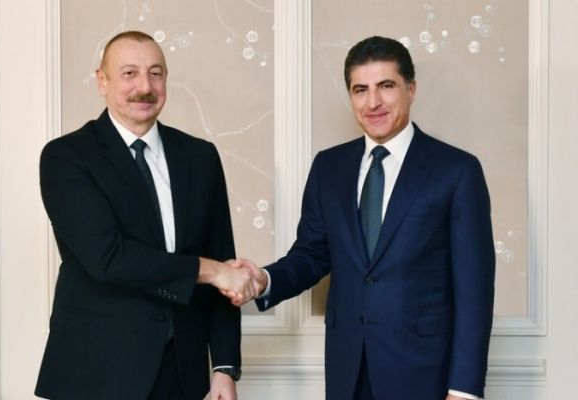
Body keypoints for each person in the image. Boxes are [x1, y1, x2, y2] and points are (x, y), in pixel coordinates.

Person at [230, 36, 495, 400]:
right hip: (348, 371)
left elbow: (474, 290)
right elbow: (312, 255)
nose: (373, 102)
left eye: (386, 86)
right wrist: (264, 279)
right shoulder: (329, 166)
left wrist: (464, 390)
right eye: (360, 90)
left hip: (424, 374)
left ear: (411, 89)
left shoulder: (457, 170)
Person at [35, 31, 255, 400]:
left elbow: (222, 257)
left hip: (181, 373)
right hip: (96, 373)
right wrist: (211, 270)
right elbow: (107, 258)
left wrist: (224, 368)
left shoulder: (200, 157)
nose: (145, 87)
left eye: (155, 73)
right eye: (129, 73)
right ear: (102, 81)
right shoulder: (66, 157)